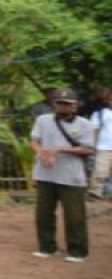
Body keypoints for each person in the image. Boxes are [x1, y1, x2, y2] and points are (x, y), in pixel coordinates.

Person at [29, 87, 96, 261]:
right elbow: (34, 141)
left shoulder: (85, 125)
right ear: (53, 104)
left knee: (75, 216)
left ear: (75, 105)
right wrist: (42, 153)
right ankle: (47, 247)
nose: (63, 107)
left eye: (67, 104)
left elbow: (88, 149)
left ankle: (77, 250)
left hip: (71, 175)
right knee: (43, 213)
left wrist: (59, 149)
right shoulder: (43, 120)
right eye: (59, 103)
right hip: (45, 173)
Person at [88, 86, 112, 200]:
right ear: (107, 100)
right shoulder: (100, 114)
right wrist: (93, 145)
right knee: (100, 170)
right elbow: (94, 130)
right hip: (104, 146)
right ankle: (95, 192)